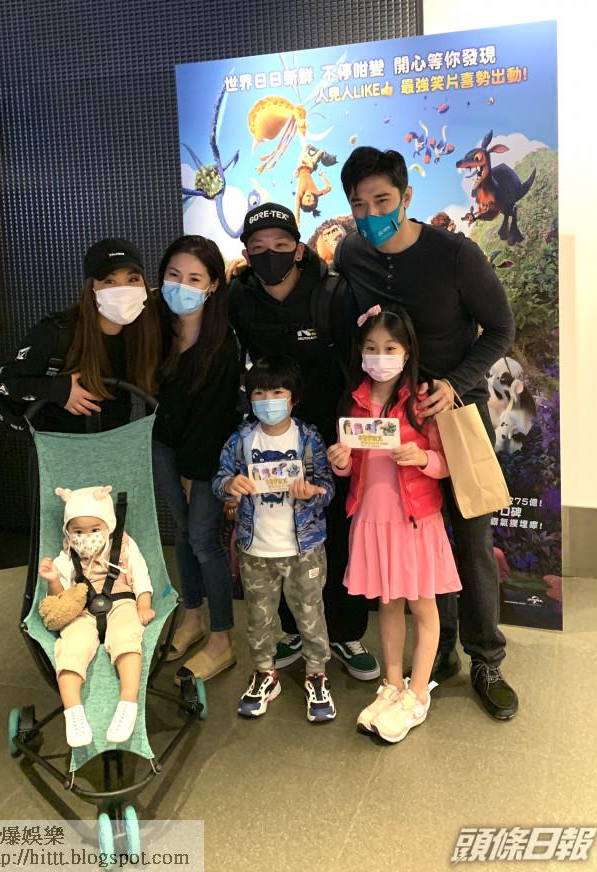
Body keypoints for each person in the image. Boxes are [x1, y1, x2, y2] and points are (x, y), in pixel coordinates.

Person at [335, 146, 518, 719]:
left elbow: (501, 328)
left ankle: (486, 658)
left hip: (453, 415)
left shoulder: (456, 254)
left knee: (469, 540)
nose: (371, 214)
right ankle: (440, 655)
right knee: (417, 537)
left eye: (382, 200)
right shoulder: (352, 252)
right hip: (389, 425)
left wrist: (455, 385)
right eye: (359, 204)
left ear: (406, 196)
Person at [228, 202, 379, 681]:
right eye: (258, 247)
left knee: (336, 529)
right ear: (246, 254)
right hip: (274, 433)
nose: (269, 254)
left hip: (331, 432)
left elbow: (359, 363)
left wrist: (355, 432)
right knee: (281, 529)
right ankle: (295, 629)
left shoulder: (333, 292)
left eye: (280, 245)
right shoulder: (241, 297)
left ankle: (347, 632)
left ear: (297, 248)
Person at [327, 307, 461, 742]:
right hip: (370, 518)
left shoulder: (422, 401)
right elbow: (352, 465)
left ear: (407, 352)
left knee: (423, 605)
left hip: (414, 520)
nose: (379, 357)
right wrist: (340, 462)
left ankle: (417, 693)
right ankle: (392, 683)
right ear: (360, 352)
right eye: (371, 348)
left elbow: (447, 463)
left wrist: (422, 458)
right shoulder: (353, 401)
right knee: (387, 603)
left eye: (389, 348)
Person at [213, 355, 337, 722]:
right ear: (249, 397)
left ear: (293, 398)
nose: (268, 400)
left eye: (277, 392)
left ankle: (317, 675)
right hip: (255, 548)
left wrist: (311, 492)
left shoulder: (308, 437)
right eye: (259, 393)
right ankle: (265, 673)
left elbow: (328, 486)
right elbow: (219, 480)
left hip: (304, 547)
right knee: (258, 618)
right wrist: (230, 485)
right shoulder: (240, 438)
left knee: (311, 615)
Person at [153, 235, 240, 683]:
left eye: (193, 278)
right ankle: (192, 618)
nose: (181, 286)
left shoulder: (223, 341)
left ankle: (222, 639)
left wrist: (192, 473)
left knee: (205, 539)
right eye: (173, 275)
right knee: (183, 534)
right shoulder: (154, 326)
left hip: (207, 454)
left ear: (212, 286)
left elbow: (214, 417)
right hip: (163, 445)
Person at [0, 237, 161, 433]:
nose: (123, 289)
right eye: (109, 281)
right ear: (92, 288)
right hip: (59, 446)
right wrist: (56, 389)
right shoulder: (57, 332)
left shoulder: (145, 332)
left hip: (117, 445)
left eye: (132, 280)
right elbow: (4, 382)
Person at [38, 485, 155, 748]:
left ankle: (128, 702)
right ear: (69, 531)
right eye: (78, 531)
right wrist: (53, 579)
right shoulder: (67, 555)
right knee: (71, 647)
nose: (86, 537)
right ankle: (73, 712)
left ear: (108, 525)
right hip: (82, 610)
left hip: (121, 602)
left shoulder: (124, 546)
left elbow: (141, 576)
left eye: (94, 529)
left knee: (126, 638)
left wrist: (143, 604)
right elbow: (61, 598)